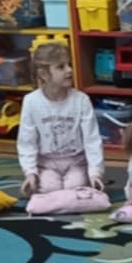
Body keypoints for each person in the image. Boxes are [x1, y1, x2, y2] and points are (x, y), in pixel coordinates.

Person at [18, 41, 110, 216]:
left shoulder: (81, 100)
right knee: (49, 188)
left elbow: (92, 139)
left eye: (69, 64)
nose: (69, 70)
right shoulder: (31, 102)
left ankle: (67, 193)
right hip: (47, 164)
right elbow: (26, 141)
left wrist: (95, 173)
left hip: (75, 162)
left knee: (74, 187)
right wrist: (30, 173)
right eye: (61, 67)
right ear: (43, 74)